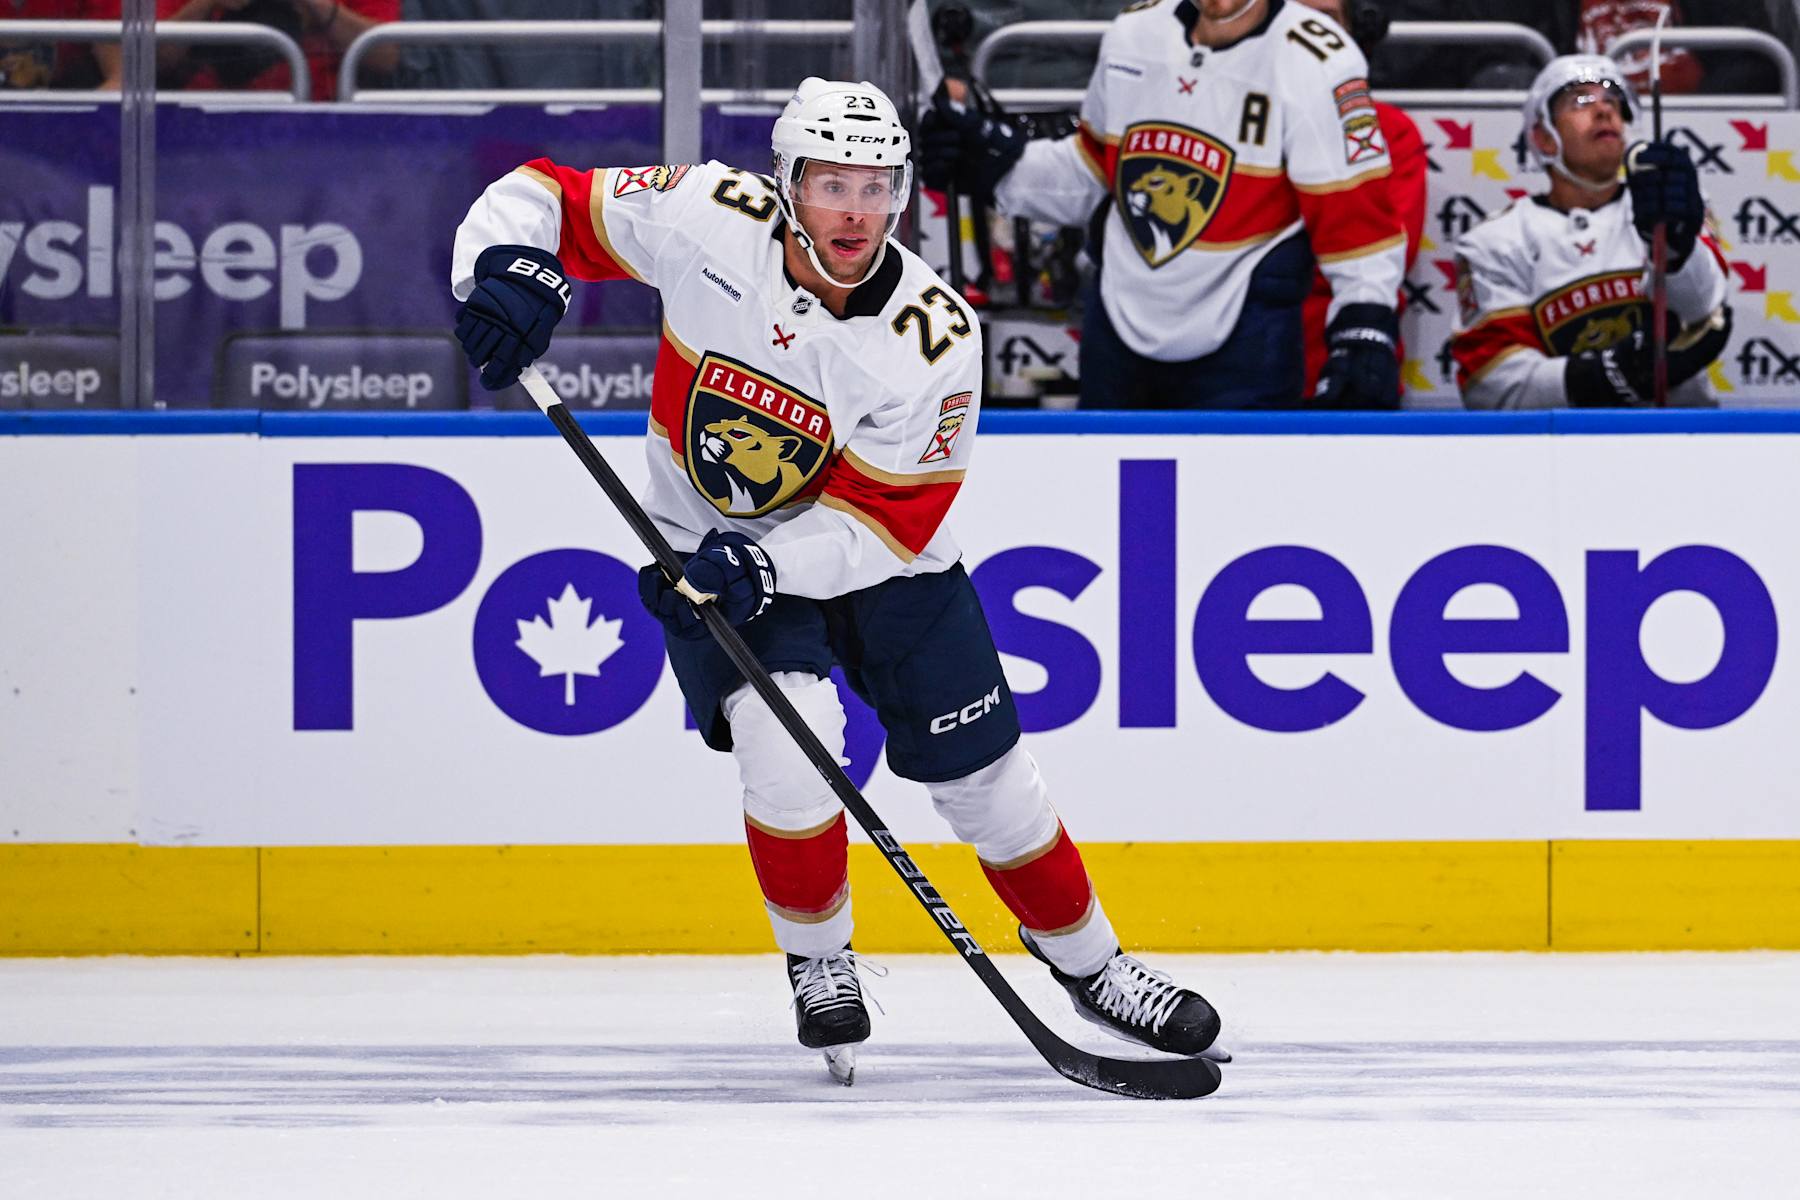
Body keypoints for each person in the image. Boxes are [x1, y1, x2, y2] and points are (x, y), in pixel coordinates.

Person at [449, 77, 1226, 1084]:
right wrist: (504, 269)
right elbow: (539, 195)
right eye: (832, 184)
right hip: (714, 553)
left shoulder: (936, 337)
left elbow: (889, 519)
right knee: (787, 744)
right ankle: (821, 962)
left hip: (881, 565)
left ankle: (1096, 968)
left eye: (876, 187)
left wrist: (764, 560)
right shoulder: (707, 219)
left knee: (990, 784)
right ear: (787, 185)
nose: (855, 211)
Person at [918, 0, 1407, 409]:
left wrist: (1365, 327)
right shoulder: (1133, 33)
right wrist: (996, 164)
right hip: (1118, 332)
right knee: (1113, 513)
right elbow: (1093, 172)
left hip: (1244, 340)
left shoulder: (1320, 58)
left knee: (1234, 512)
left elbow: (1357, 223)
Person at [1451, 55, 1731, 409]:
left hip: (1680, 438)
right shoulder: (1494, 241)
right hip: (1554, 454)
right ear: (1543, 138)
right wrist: (1611, 376)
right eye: (1580, 100)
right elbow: (1493, 386)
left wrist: (1677, 249)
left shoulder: (1676, 207)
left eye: (1612, 100)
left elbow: (1705, 314)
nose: (1603, 110)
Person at [1291, 0, 1425, 401]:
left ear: (1355, 35)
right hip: (1231, 375)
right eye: (1294, 20)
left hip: (1348, 368)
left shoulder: (1392, 131)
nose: (1306, 37)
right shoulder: (1229, 123)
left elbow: (1385, 254)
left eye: (1324, 20)